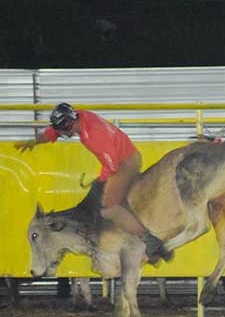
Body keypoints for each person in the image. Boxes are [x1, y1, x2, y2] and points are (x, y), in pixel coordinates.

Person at [14, 103, 171, 258]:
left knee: (109, 209)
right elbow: (53, 132)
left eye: (62, 131)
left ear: (69, 124)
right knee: (99, 193)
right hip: (122, 158)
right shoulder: (80, 115)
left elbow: (113, 164)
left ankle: (151, 241)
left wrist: (104, 180)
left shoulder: (93, 137)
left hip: (126, 164)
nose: (61, 134)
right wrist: (35, 141)